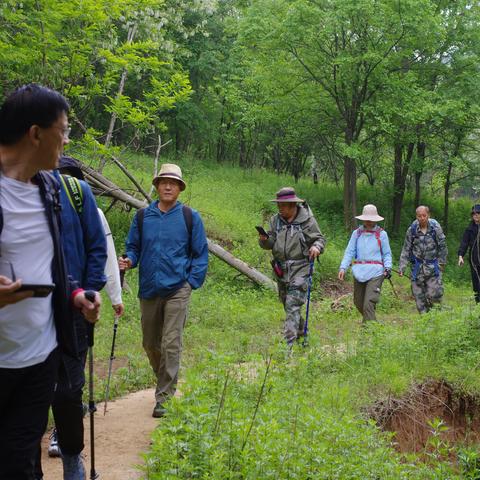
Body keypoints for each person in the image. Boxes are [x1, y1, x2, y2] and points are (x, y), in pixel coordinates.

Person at [0, 83, 101, 480]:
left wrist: (75, 294)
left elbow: (51, 262)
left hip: (40, 356)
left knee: (23, 460)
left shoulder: (50, 189)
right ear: (35, 134)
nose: (67, 139)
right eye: (63, 130)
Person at [34, 155, 107, 480]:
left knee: (68, 392)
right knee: (29, 396)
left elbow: (96, 247)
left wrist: (89, 292)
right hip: (24, 313)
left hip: (72, 310)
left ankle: (71, 459)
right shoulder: (14, 189)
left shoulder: (77, 192)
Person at [119, 163, 208, 418]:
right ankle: (164, 379)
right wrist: (129, 261)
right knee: (150, 343)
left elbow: (200, 254)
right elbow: (133, 248)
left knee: (171, 343)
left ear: (179, 188)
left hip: (178, 288)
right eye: (163, 182)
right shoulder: (142, 216)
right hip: (149, 288)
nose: (168, 186)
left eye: (173, 183)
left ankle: (164, 397)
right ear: (157, 186)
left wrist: (191, 282)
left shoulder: (190, 217)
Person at [258, 187, 325, 345]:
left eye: (282, 205)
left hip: (301, 269)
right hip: (281, 270)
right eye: (278, 205)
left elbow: (320, 239)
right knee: (288, 305)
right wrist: (264, 240)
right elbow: (270, 243)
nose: (279, 209)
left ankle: (287, 347)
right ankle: (302, 334)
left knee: (292, 304)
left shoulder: (307, 220)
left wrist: (316, 247)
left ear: (292, 205)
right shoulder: (275, 220)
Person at [338, 204, 392, 322]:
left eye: (371, 219)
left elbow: (387, 254)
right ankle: (374, 325)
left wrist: (388, 268)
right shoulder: (356, 234)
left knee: (368, 303)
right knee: (358, 302)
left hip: (376, 272)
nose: (368, 222)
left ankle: (369, 333)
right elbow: (349, 251)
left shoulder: (382, 234)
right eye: (366, 219)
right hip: (359, 271)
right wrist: (343, 268)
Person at [399, 205, 448, 313]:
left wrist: (442, 263)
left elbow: (443, 246)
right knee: (419, 299)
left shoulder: (435, 228)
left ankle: (436, 318)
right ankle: (425, 321)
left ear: (428, 215)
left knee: (435, 295)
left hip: (433, 268)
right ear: (416, 216)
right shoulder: (412, 230)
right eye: (419, 216)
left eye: (424, 215)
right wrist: (402, 267)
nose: (422, 218)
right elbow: (406, 249)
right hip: (417, 269)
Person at [457, 204, 480, 303]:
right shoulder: (469, 229)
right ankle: (478, 305)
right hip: (474, 260)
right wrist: (460, 256)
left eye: (478, 213)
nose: (476, 215)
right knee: (476, 282)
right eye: (474, 214)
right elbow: (464, 243)